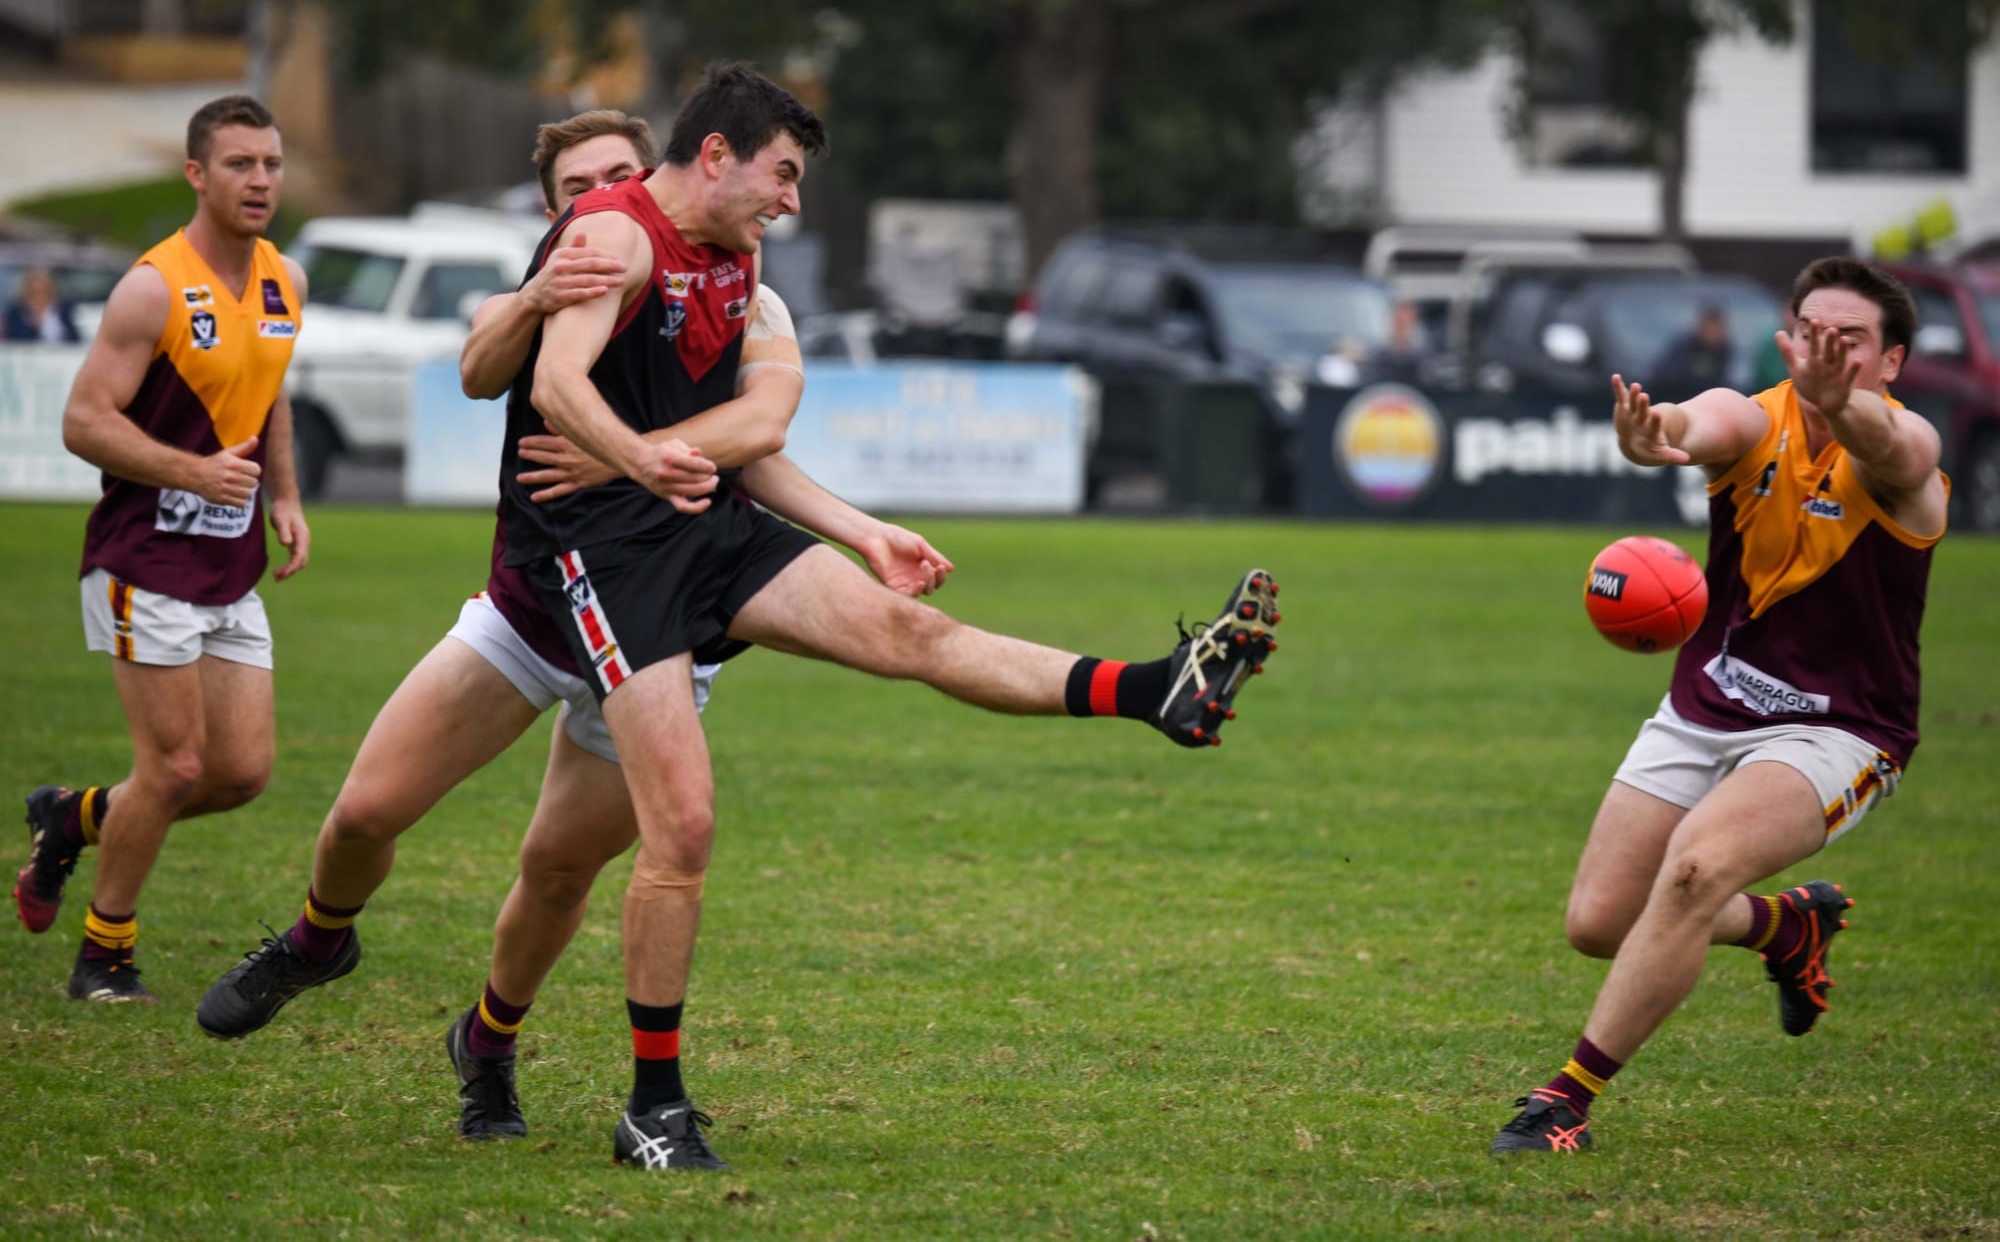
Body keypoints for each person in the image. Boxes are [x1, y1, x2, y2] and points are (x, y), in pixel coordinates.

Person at [504, 60, 1280, 1171]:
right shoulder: (618, 235)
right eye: (781, 173)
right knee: (669, 829)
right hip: (608, 560)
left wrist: (859, 529)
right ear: (715, 153)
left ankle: (1152, 689)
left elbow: (757, 429)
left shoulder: (739, 259)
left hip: (707, 530)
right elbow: (551, 384)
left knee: (910, 632)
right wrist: (635, 460)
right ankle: (647, 1106)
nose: (793, 200)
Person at [192, 111, 954, 1148]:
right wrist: (539, 298)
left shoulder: (713, 278)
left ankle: (490, 1046)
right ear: (554, 214)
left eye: (620, 176)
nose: (604, 198)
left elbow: (753, 438)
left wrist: (849, 525)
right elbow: (476, 368)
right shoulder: (550, 292)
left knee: (559, 872)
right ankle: (318, 939)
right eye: (579, 188)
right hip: (530, 615)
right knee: (365, 813)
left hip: (655, 627)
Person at [1490, 256, 1947, 1155]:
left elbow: (1897, 451)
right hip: (1710, 701)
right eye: (1810, 332)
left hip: (1840, 726)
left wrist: (1842, 399)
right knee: (1599, 923)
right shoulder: (1755, 417)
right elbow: (1698, 422)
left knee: (1696, 868)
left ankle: (1566, 1098)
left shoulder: (1910, 453)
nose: (1824, 352)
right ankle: (1785, 925)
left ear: (1890, 362)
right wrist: (1651, 432)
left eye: (1849, 341)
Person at [12, 95, 310, 1003]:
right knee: (175, 766)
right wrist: (190, 471)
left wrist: (285, 494)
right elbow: (82, 421)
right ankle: (105, 953)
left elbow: (270, 390)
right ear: (196, 174)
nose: (259, 180)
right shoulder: (152, 286)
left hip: (227, 567)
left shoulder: (284, 280)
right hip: (142, 560)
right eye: (238, 164)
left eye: (271, 163)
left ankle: (74, 817)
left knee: (238, 773)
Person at [1649, 304, 1733, 401]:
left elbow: (1722, 383)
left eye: (1718, 328)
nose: (1715, 333)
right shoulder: (1683, 347)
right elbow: (1668, 380)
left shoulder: (1724, 351)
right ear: (1702, 327)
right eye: (1711, 328)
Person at [4, 266, 82, 343]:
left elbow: (75, 337)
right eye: (35, 292)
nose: (40, 297)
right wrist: (35, 325)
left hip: (61, 352)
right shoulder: (16, 312)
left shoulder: (64, 309)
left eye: (43, 291)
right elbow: (13, 339)